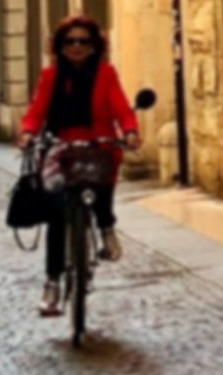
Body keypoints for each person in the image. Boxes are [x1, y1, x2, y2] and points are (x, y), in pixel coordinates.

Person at [20, 16, 137, 317]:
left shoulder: (106, 74)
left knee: (101, 178)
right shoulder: (50, 76)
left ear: (94, 46)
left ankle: (106, 224)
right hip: (61, 146)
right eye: (70, 41)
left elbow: (120, 106)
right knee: (57, 214)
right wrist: (28, 133)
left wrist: (130, 131)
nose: (76, 47)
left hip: (98, 143)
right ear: (60, 46)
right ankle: (52, 284)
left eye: (83, 41)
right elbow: (37, 109)